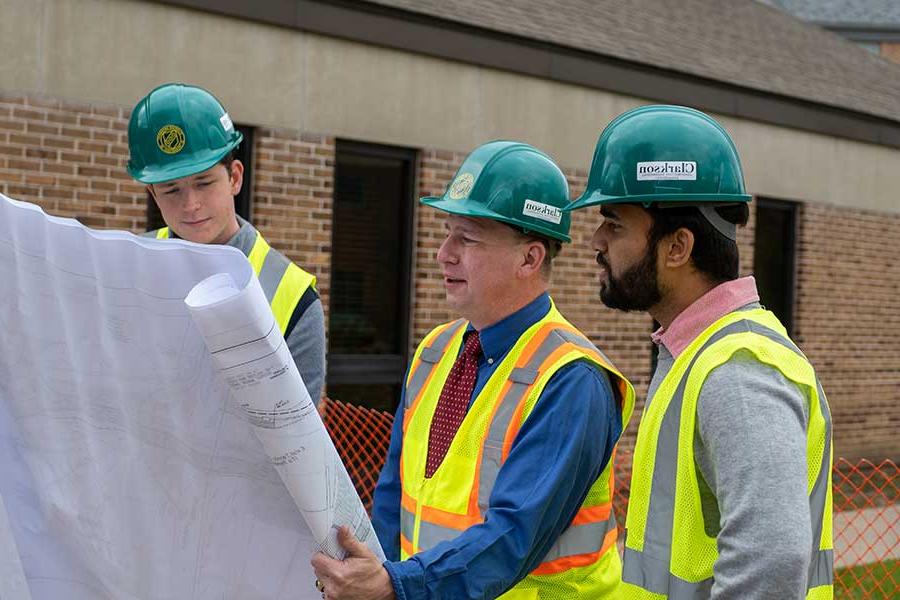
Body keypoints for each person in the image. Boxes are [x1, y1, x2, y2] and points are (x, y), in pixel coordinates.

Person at [311, 141, 635, 599]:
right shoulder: (434, 352)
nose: (444, 252)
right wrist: (371, 573)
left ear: (530, 258)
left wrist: (395, 587)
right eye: (448, 233)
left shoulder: (572, 380)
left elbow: (511, 536)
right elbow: (392, 500)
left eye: (468, 237)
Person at [564, 105, 833, 599]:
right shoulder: (696, 354)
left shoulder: (738, 371)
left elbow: (771, 561)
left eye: (615, 224)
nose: (596, 241)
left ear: (677, 247)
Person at [126, 83, 326, 403]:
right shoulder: (126, 265)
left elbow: (299, 437)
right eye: (171, 190)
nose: (190, 204)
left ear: (234, 177)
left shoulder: (294, 295)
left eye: (204, 183)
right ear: (153, 194)